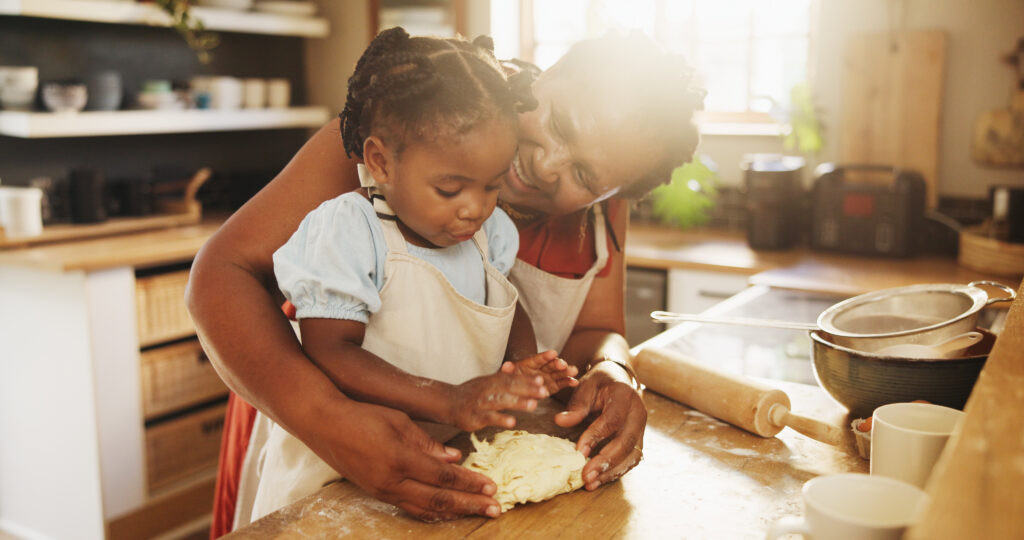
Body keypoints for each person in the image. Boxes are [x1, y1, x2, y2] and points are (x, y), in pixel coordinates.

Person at [186, 29, 704, 535]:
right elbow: (221, 274)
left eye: (586, 177)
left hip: (464, 454)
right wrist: (327, 420)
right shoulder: (417, 120)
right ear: (545, 76)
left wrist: (613, 371)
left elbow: (595, 330)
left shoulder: (603, 196)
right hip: (304, 407)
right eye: (561, 123)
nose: (547, 166)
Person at [246, 27, 578, 521]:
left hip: (433, 462)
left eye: (491, 186)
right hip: (335, 472)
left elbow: (504, 306)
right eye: (450, 189)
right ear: (381, 161)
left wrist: (523, 365)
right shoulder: (349, 231)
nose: (475, 209)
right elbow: (330, 350)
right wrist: (448, 399)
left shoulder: (492, 233)